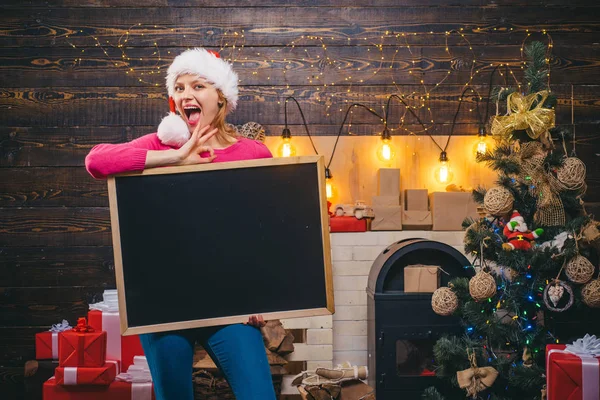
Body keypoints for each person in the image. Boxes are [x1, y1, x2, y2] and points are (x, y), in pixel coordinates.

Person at [85, 48, 276, 400]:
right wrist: (175, 157)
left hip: (229, 304)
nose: (186, 93)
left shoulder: (253, 153)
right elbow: (96, 161)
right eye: (180, 87)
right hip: (164, 304)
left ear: (220, 97)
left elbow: (263, 232)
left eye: (198, 85)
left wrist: (260, 293)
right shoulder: (158, 147)